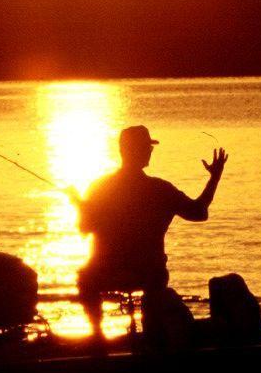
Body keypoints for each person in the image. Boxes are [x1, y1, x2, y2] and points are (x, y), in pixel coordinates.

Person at [75, 125, 227, 341]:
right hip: (150, 274)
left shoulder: (100, 187)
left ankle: (97, 338)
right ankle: (151, 338)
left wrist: (79, 206)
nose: (149, 152)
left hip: (106, 272)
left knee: (85, 279)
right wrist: (214, 178)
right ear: (133, 151)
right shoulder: (160, 189)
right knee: (151, 292)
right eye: (147, 147)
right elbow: (199, 212)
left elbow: (84, 228)